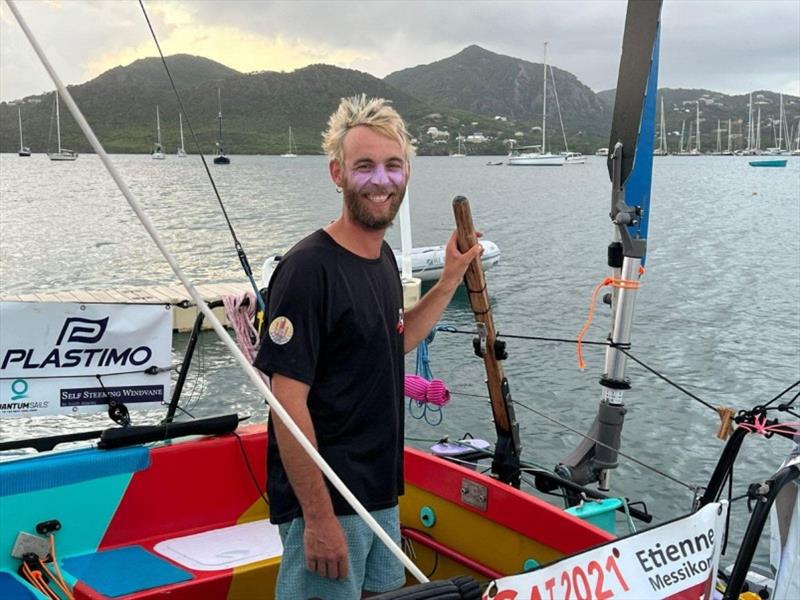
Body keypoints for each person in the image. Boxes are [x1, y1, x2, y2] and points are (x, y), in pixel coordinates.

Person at [253, 95, 482, 599]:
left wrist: (448, 280)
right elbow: (286, 406)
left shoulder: (381, 262)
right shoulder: (308, 270)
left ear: (406, 175)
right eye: (364, 166)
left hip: (379, 492)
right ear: (337, 174)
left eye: (392, 166)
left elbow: (392, 344)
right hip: (330, 503)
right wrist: (317, 519)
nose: (380, 181)